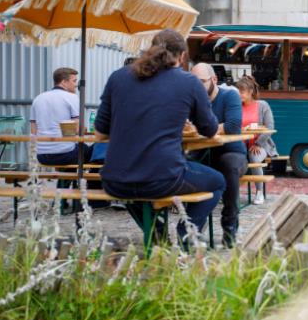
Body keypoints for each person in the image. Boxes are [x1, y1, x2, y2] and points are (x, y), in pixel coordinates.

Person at [94, 29, 226, 248]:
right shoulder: (188, 83)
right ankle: (186, 233)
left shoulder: (118, 77)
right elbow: (210, 130)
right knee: (218, 181)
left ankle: (156, 234)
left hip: (115, 181)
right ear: (182, 56)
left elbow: (100, 133)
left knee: (135, 191)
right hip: (162, 178)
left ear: (151, 49)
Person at [191, 63, 247, 246]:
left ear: (214, 80)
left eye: (201, 82)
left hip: (232, 152)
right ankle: (193, 227)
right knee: (183, 165)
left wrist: (203, 128)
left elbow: (232, 126)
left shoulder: (230, 95)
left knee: (228, 164)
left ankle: (230, 226)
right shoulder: (193, 100)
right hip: (201, 153)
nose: (196, 87)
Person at [30, 67, 93, 165]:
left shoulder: (38, 99)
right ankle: (89, 180)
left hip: (42, 156)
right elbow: (77, 129)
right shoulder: (72, 97)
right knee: (93, 152)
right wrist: (83, 129)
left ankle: (65, 180)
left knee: (76, 148)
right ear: (64, 82)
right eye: (74, 81)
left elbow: (33, 131)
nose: (76, 85)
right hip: (65, 154)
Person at [235, 76, 278, 205]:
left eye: (241, 92)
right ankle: (232, 193)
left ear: (250, 92)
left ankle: (259, 192)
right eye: (238, 92)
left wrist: (258, 143)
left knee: (254, 156)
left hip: (261, 144)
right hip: (241, 144)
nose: (239, 94)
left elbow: (270, 128)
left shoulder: (262, 105)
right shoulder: (236, 106)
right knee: (231, 158)